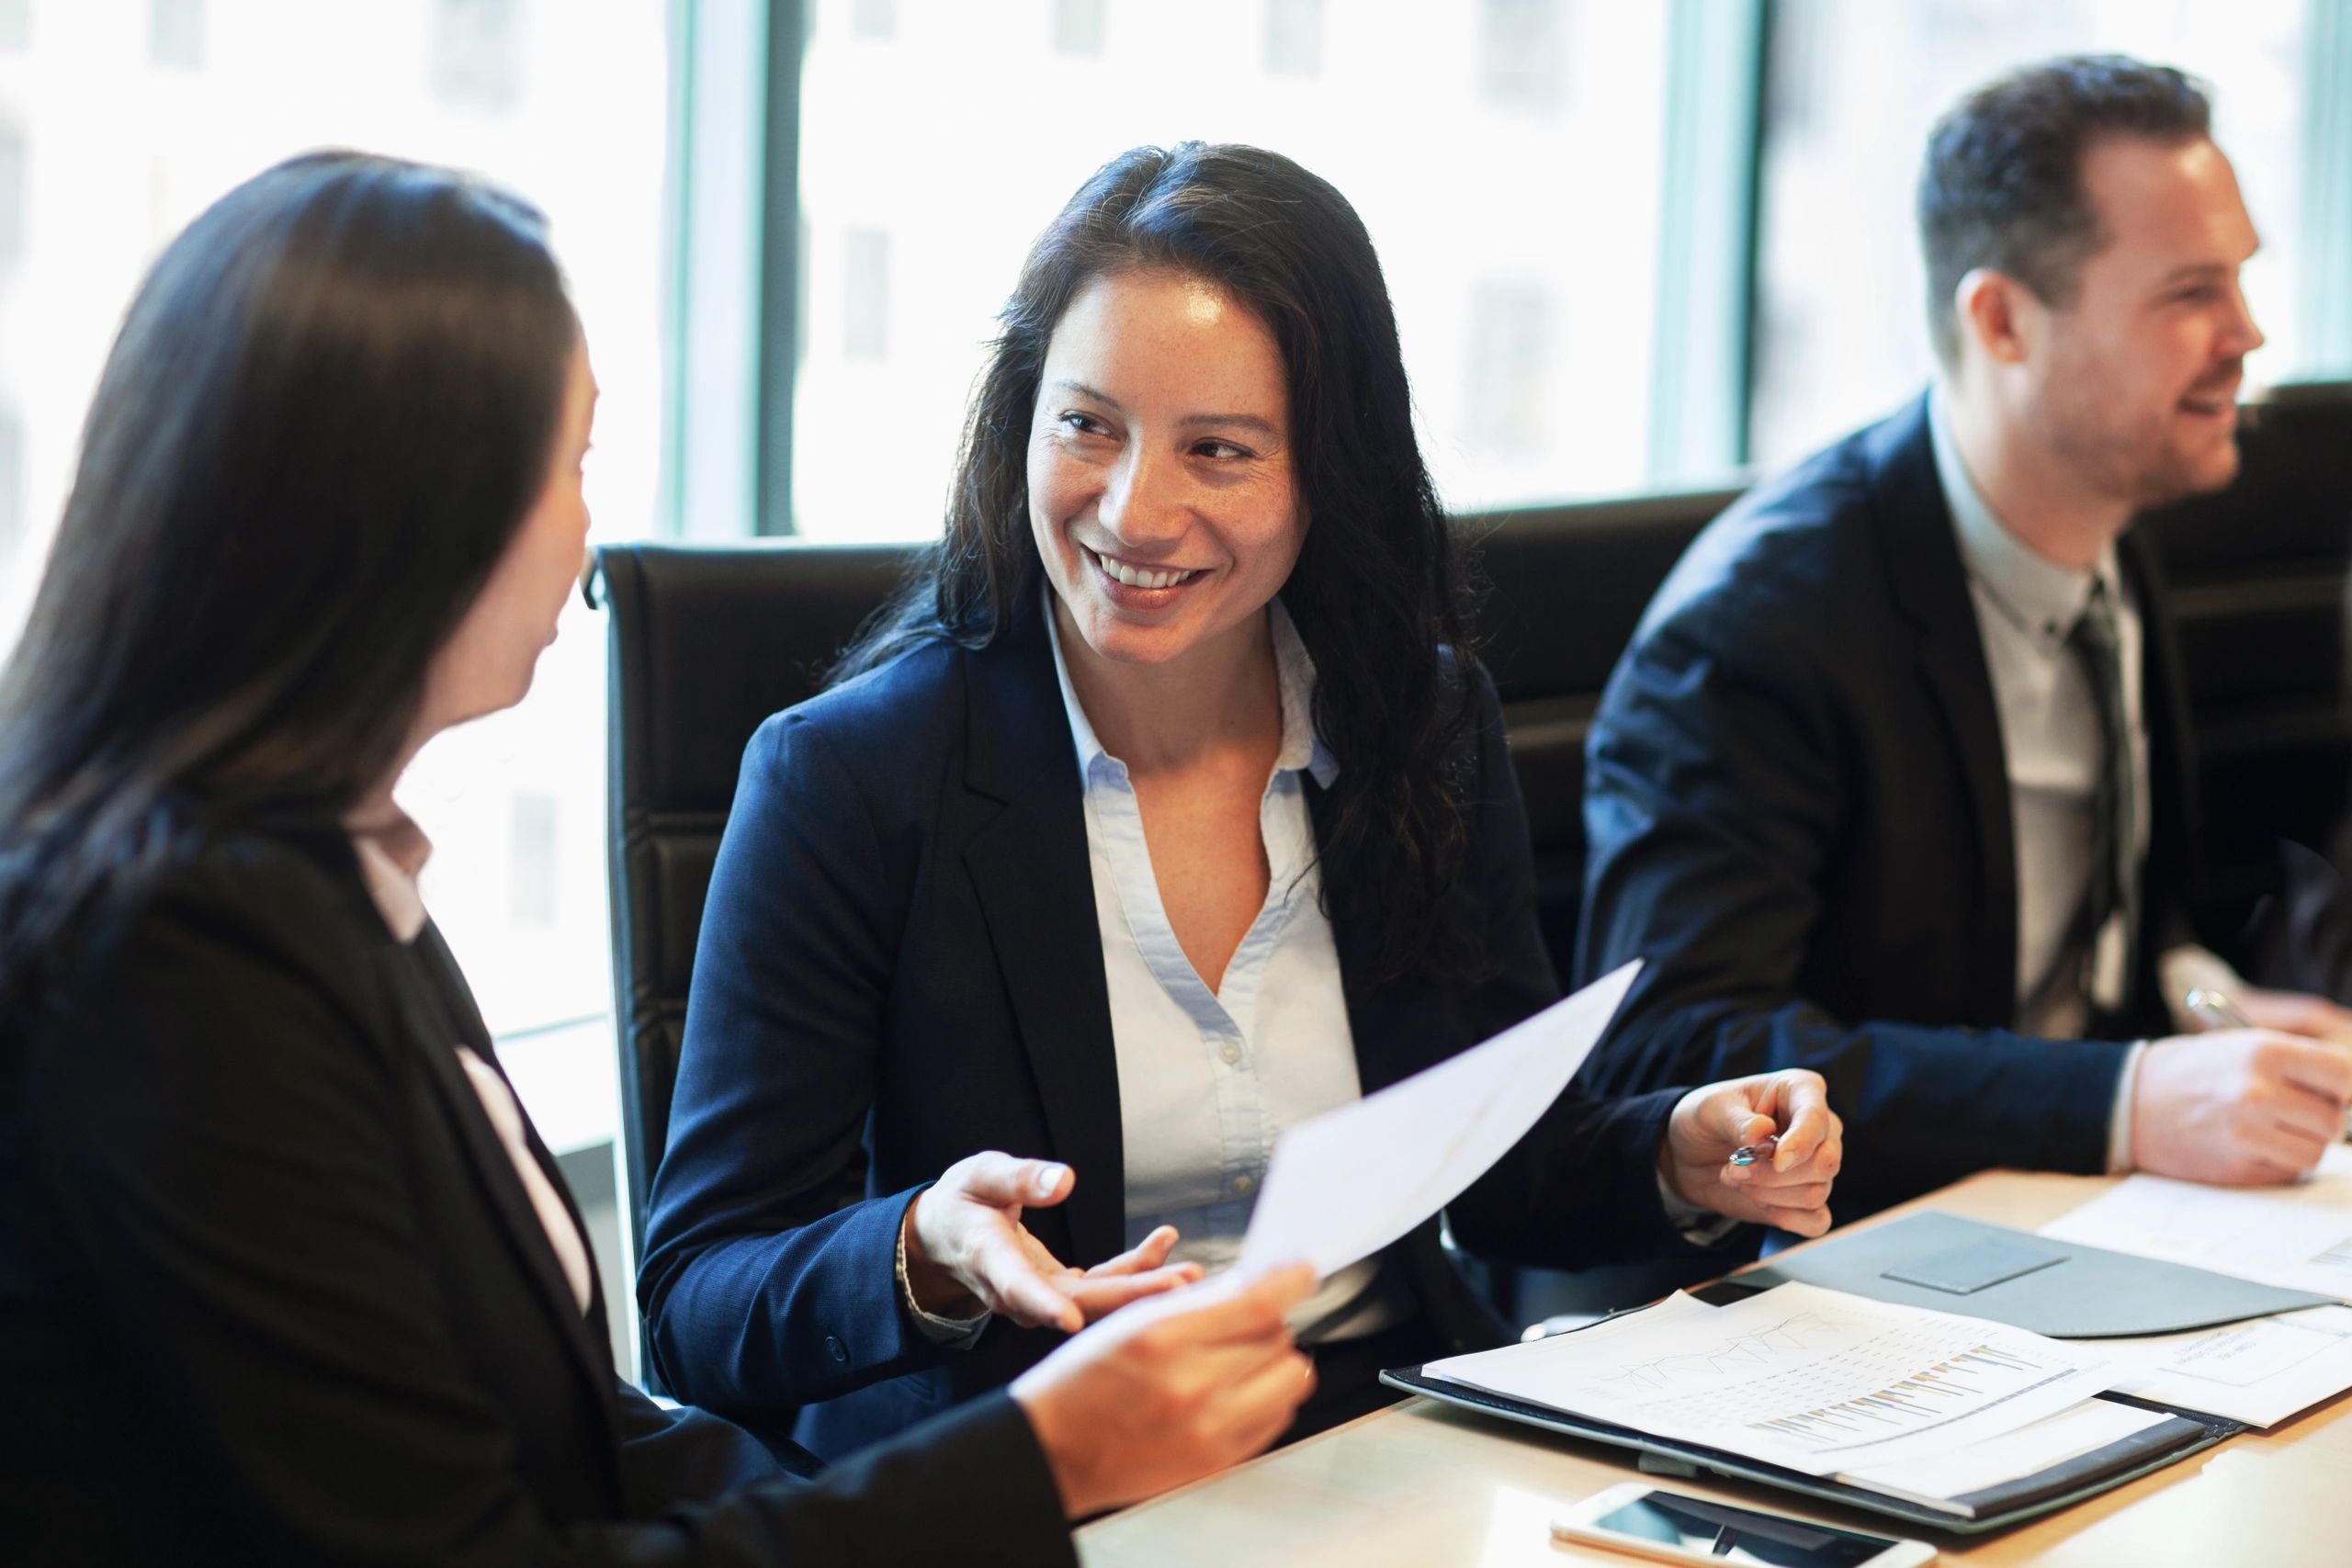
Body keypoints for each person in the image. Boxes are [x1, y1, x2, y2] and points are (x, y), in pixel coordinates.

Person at [0, 151, 1326, 1567]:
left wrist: (1001, 1462)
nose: (585, 530)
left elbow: (584, 1435)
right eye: (566, 466)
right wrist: (1041, 1458)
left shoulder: (325, 876)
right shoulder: (180, 962)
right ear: (402, 515)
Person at [639, 141, 1844, 1465]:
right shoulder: (850, 778)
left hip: (1389, 1448)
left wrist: (1677, 1156)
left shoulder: (1418, 726)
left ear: (1332, 471)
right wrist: (920, 1251)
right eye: (1087, 423)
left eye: (1218, 449)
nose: (1134, 509)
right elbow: (698, 1298)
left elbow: (1496, 1170)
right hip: (1047, 1488)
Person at [1577, 56, 2352, 1225]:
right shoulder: (1757, 629)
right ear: (1999, 320)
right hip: (1833, 1258)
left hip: (2065, 1211)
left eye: (2242, 279)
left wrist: (2204, 1002)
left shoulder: (2109, 527)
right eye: (2189, 291)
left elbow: (2094, 929)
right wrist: (2122, 1095)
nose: (2245, 332)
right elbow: (1678, 1044)